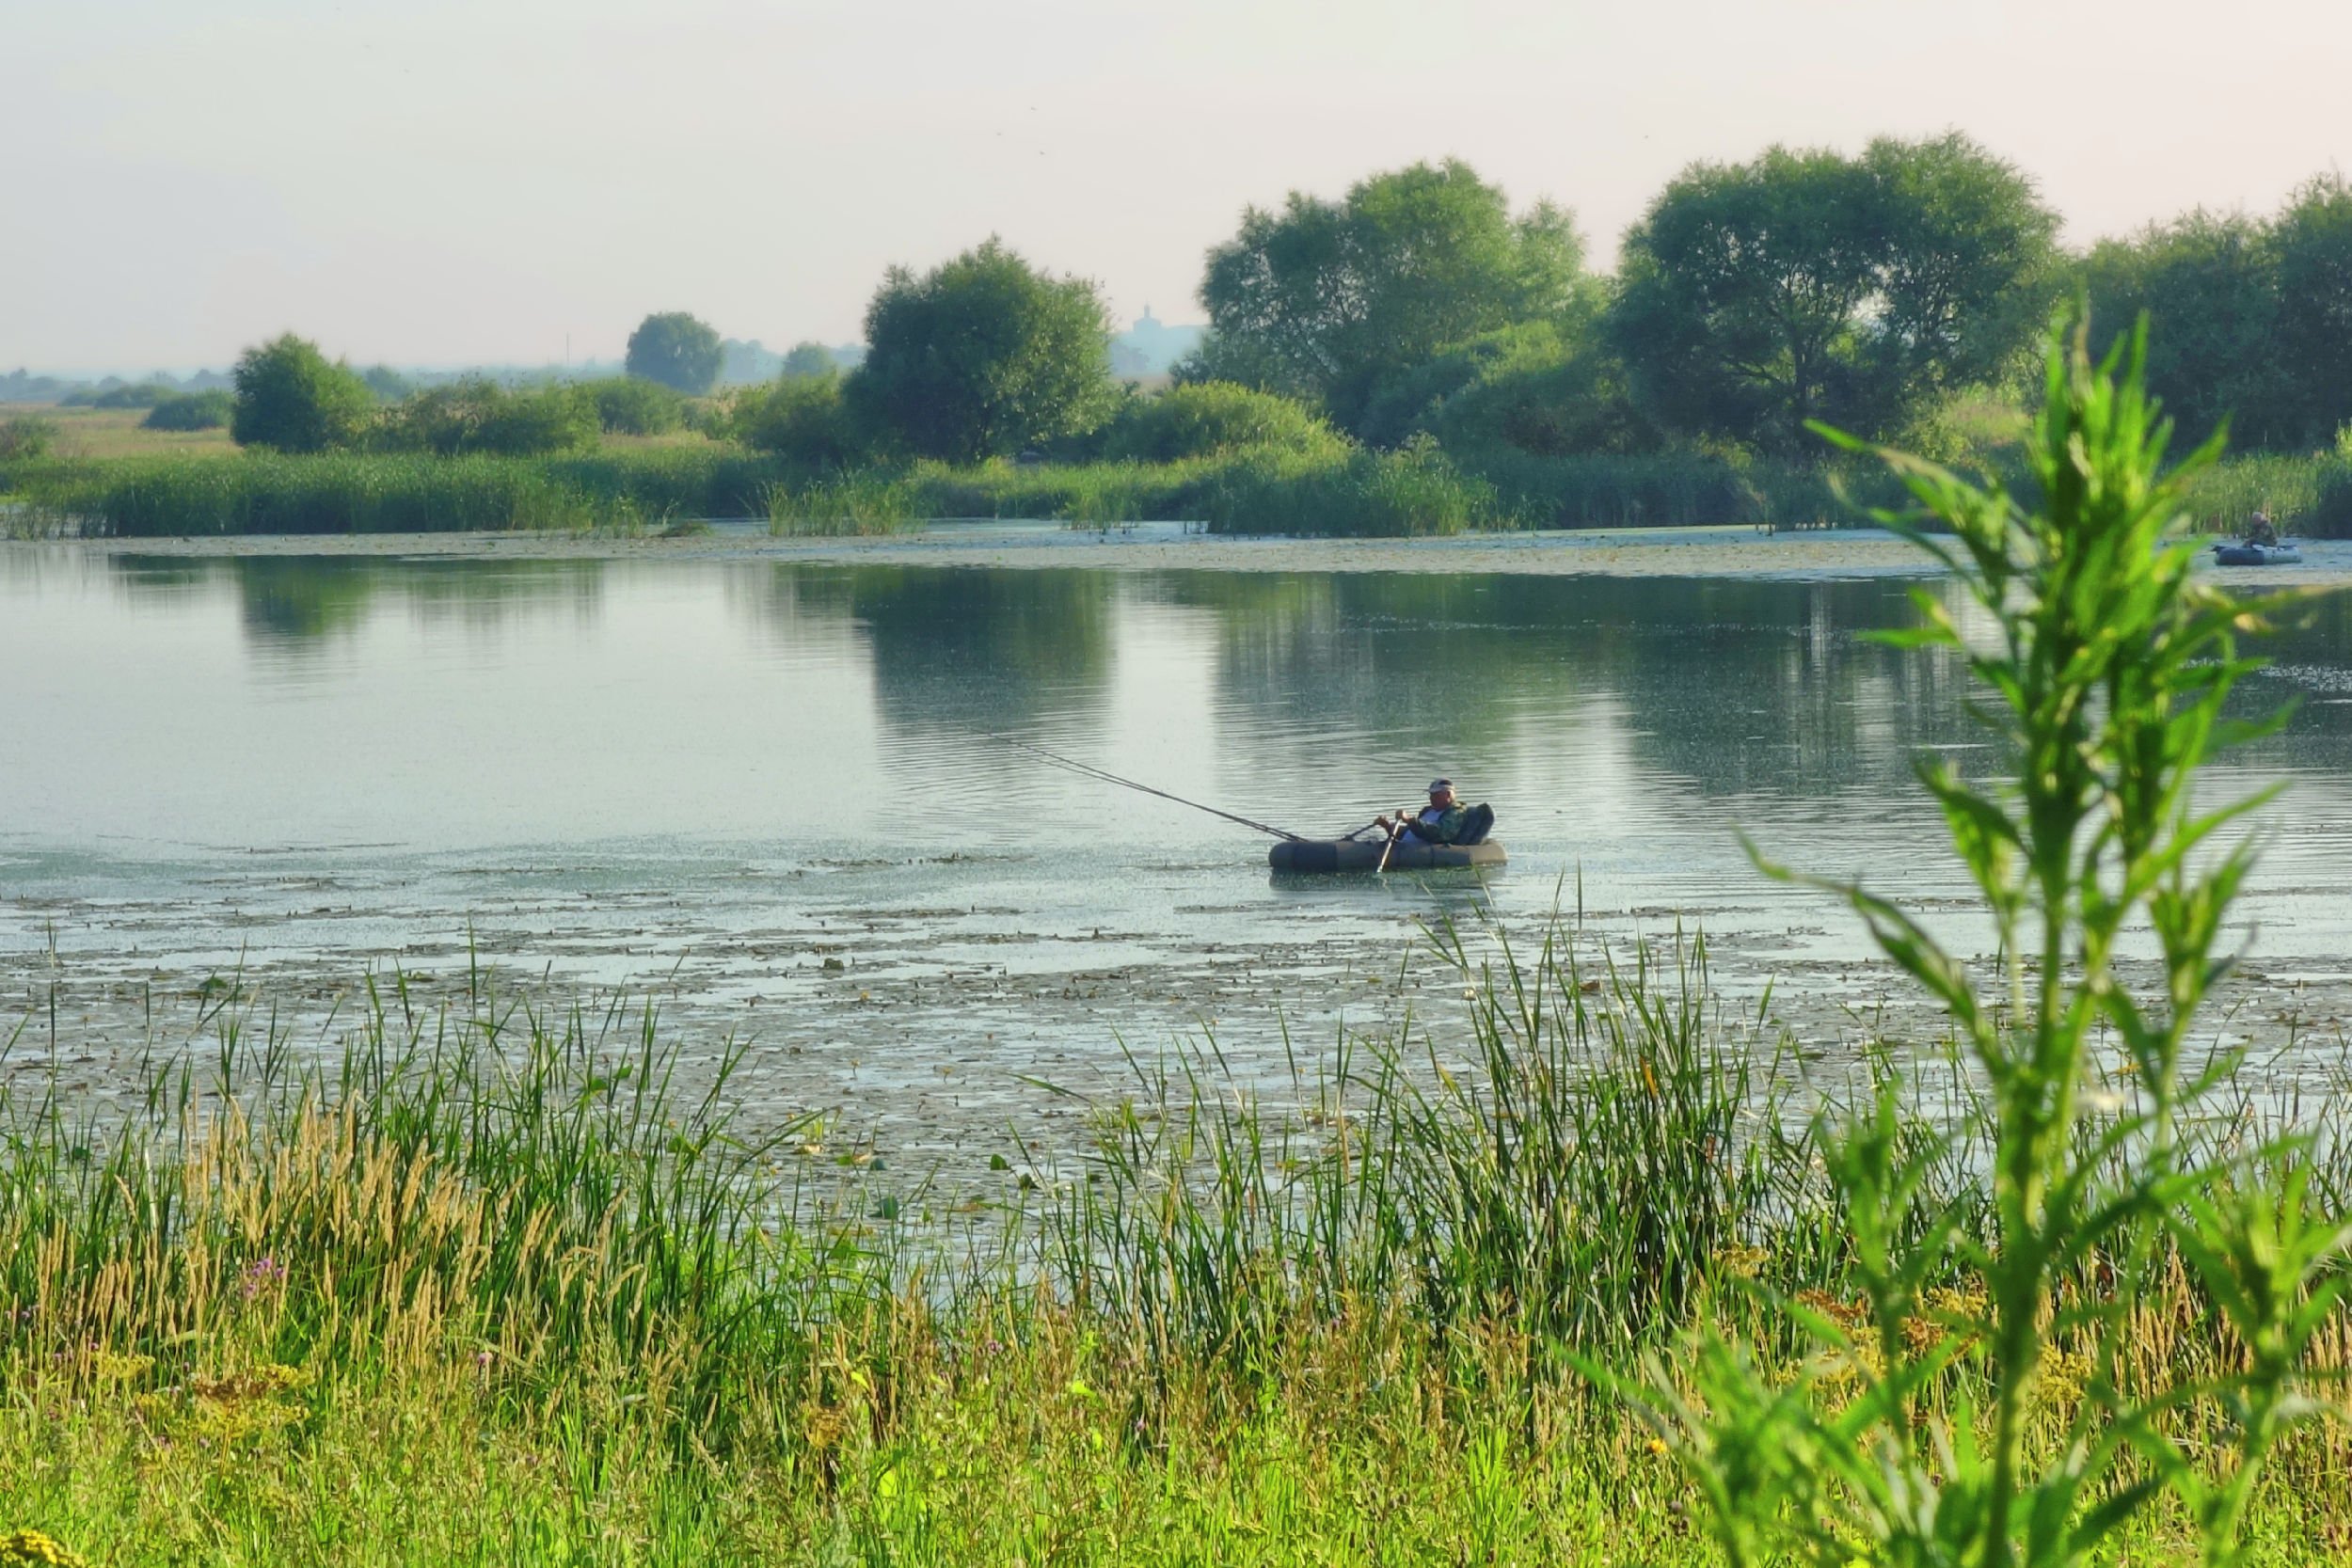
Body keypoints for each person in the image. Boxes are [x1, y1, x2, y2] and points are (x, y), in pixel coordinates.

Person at [1379, 779, 1469, 847]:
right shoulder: (1427, 811)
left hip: (1422, 851)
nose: (1431, 798)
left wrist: (1409, 820)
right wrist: (1387, 826)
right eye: (1431, 795)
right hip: (1404, 847)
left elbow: (1441, 833)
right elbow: (1410, 832)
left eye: (1436, 795)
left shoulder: (1456, 813)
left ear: (1448, 795)